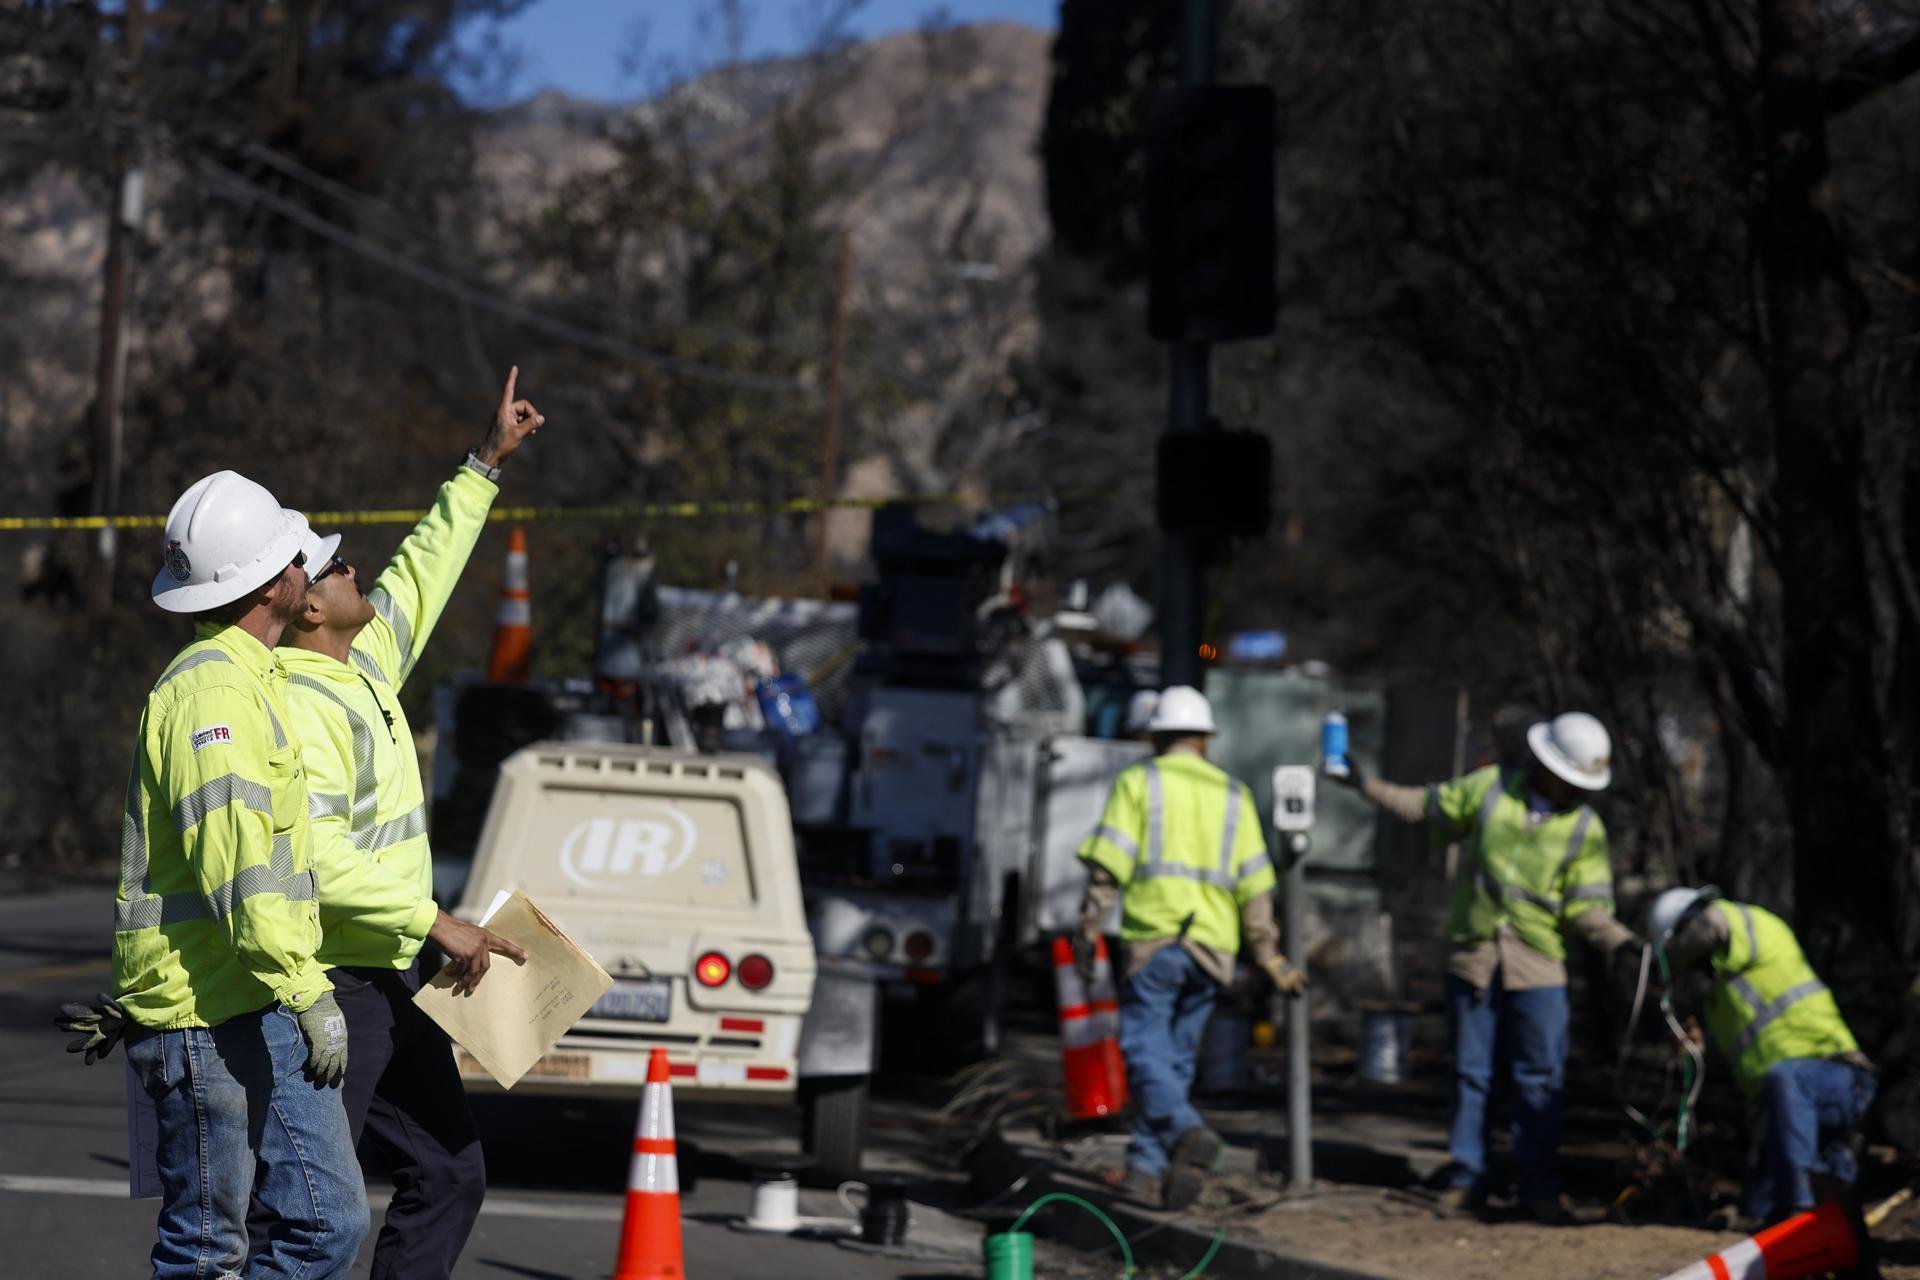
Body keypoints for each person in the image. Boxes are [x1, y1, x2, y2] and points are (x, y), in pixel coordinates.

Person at [264, 367, 542, 1279]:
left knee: (449, 1174)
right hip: (336, 987)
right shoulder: (298, 702)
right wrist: (437, 922)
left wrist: (485, 464)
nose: (357, 569)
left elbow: (425, 570)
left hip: (388, 972)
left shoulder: (364, 663)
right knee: (303, 1213)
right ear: (310, 606)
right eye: (337, 567)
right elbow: (319, 854)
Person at [64, 471, 369, 1278]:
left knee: (329, 1224)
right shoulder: (214, 696)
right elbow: (239, 872)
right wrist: (308, 990)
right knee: (205, 1251)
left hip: (249, 998)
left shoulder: (248, 678)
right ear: (271, 585)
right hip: (206, 1017)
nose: (307, 568)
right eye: (295, 559)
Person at [1331, 710, 1642, 1223]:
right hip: (1475, 956)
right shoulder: (1491, 790)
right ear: (1547, 765)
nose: (1574, 789)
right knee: (1470, 1074)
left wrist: (1623, 943)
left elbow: (1588, 908)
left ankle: (1537, 1185)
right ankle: (1467, 1177)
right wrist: (1365, 784)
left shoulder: (1585, 829)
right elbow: (1423, 806)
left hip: (1539, 967)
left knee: (1540, 1079)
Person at [1076, 685, 1307, 1210]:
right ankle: (1145, 1169)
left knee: (1142, 1051)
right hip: (1213, 947)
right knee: (1174, 1061)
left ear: (1157, 737)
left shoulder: (1139, 782)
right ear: (1205, 739)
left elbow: (1107, 866)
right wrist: (1269, 955)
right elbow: (1256, 886)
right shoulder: (1234, 795)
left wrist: (1088, 928)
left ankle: (1185, 1130)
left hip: (1154, 940)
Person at [1646, 886, 1875, 1226]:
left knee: (1786, 1079)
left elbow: (1713, 924)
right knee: (1758, 1208)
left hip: (1839, 1076)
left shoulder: (1750, 923)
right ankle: (1810, 1205)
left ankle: (1801, 1209)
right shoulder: (1719, 1003)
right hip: (1784, 1114)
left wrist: (1665, 965)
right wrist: (1695, 1048)